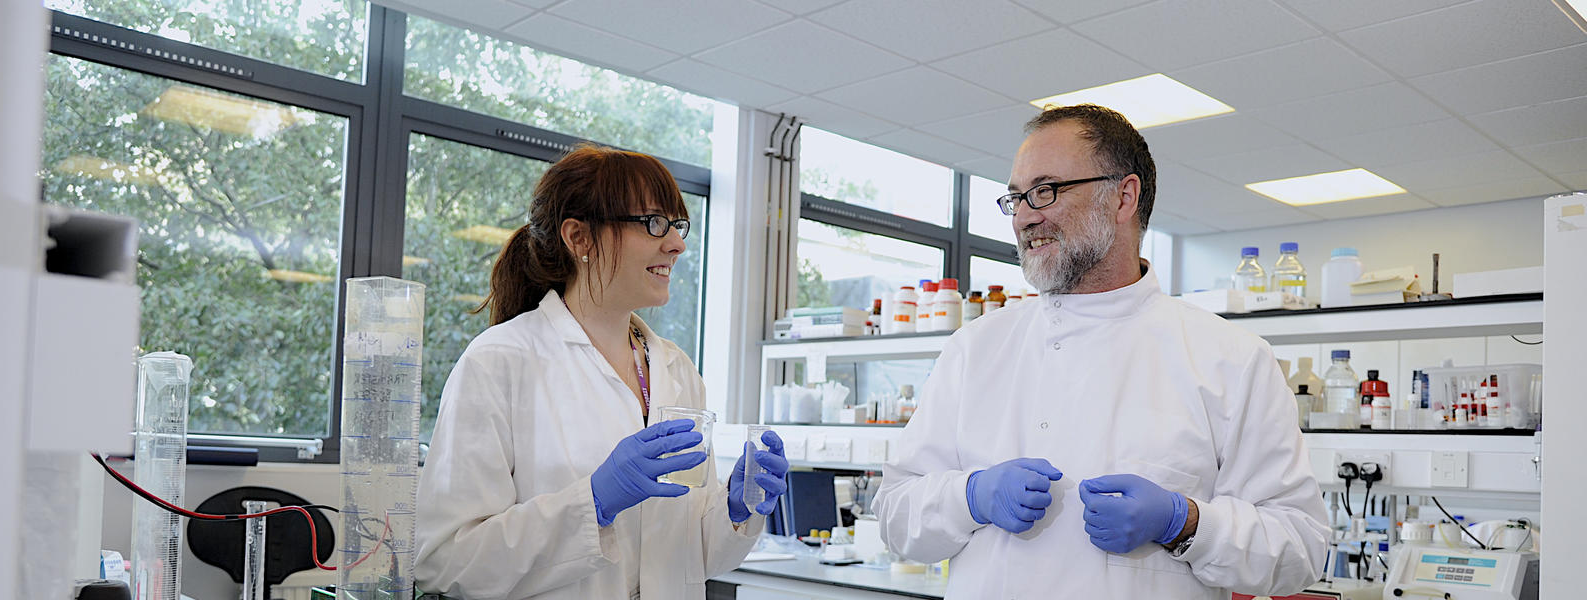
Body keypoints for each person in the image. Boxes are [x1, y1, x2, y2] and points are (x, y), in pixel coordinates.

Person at [872, 105, 1327, 598]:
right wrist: (969, 497)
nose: (1024, 217)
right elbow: (895, 516)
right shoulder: (974, 350)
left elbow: (1301, 547)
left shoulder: (1230, 359)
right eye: (1015, 198)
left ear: (1123, 197)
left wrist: (1186, 523)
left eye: (1045, 191)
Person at [416, 145, 790, 600]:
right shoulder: (500, 360)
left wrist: (735, 507)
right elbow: (446, 561)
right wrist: (592, 503)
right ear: (579, 238)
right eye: (654, 223)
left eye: (678, 225)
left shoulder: (677, 369)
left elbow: (693, 557)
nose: (677, 243)